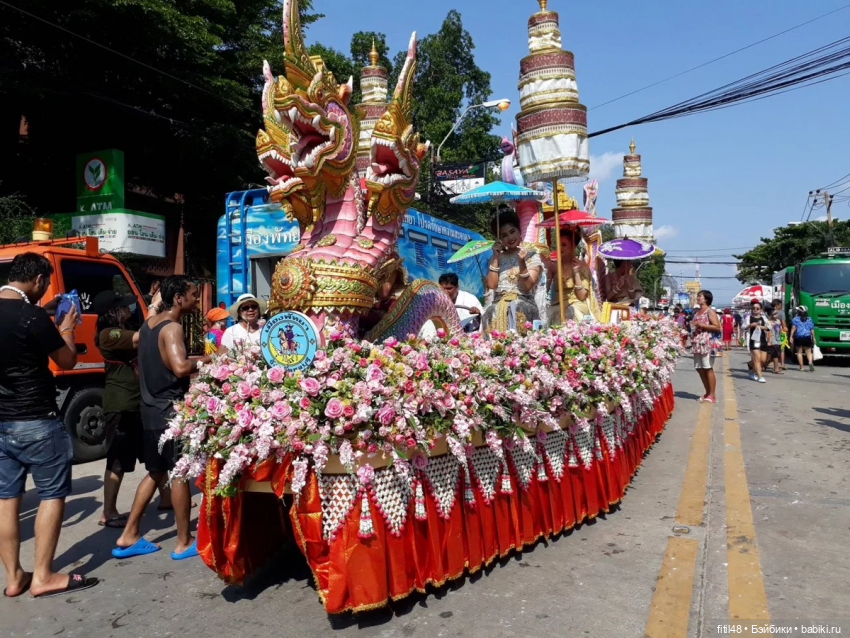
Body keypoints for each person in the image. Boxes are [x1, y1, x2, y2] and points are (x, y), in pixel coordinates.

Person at [0, 253, 99, 597]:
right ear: (40, 281)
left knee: (7, 499)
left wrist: (44, 311)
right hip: (37, 420)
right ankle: (43, 575)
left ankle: (14, 577)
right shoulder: (32, 317)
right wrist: (67, 328)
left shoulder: (27, 313)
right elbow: (68, 360)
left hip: (2, 422)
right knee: (52, 495)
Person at [113, 276, 210, 560]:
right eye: (193, 294)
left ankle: (129, 534)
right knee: (179, 473)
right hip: (170, 412)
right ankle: (183, 540)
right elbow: (180, 367)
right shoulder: (173, 328)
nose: (196, 299)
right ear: (178, 298)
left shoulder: (147, 326)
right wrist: (210, 361)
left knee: (156, 472)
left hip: (150, 410)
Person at [481, 210, 542, 333]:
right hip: (498, 303)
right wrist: (496, 257)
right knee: (489, 312)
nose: (510, 237)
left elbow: (527, 286)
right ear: (500, 239)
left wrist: (521, 262)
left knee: (516, 308)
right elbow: (492, 285)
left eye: (512, 232)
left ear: (520, 231)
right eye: (504, 235)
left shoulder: (531, 254)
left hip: (523, 301)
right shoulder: (496, 257)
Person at [546, 227, 591, 326]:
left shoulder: (582, 266)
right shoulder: (554, 266)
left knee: (565, 315)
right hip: (557, 304)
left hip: (576, 304)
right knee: (544, 316)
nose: (560, 248)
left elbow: (582, 296)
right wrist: (549, 272)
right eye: (558, 244)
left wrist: (576, 272)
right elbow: (544, 291)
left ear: (573, 247)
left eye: (564, 245)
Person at [420, 273, 484, 338]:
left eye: (449, 288)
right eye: (442, 289)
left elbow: (484, 319)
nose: (445, 292)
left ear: (457, 287)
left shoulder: (470, 299)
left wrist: (478, 313)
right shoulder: (434, 300)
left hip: (468, 337)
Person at [690, 290, 721, 402]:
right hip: (697, 342)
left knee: (708, 368)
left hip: (707, 342)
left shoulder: (710, 311)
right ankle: (707, 392)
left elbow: (717, 327)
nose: (698, 298)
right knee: (699, 368)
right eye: (698, 296)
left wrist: (701, 325)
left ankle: (712, 394)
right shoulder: (697, 312)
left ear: (706, 299)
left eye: (700, 296)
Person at [746, 300, 772, 383]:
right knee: (757, 359)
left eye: (757, 308)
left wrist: (761, 327)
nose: (755, 310)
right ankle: (760, 376)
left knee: (763, 360)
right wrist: (750, 325)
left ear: (761, 309)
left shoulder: (764, 318)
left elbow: (769, 327)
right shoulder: (748, 317)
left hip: (762, 340)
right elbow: (743, 327)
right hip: (753, 341)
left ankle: (751, 368)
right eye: (753, 308)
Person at [790, 305, 816, 372]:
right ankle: (810, 362)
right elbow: (812, 329)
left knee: (799, 352)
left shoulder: (795, 319)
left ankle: (801, 367)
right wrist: (814, 337)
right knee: (809, 352)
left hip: (799, 337)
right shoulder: (809, 319)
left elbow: (793, 328)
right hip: (807, 337)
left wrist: (791, 336)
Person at [765, 309, 784, 374]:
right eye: (774, 314)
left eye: (776, 313)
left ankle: (764, 364)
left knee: (776, 355)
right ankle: (776, 369)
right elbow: (768, 332)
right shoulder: (769, 322)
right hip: (772, 339)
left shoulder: (778, 321)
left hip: (778, 339)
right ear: (771, 315)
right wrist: (769, 341)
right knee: (775, 355)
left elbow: (780, 330)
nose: (776, 315)